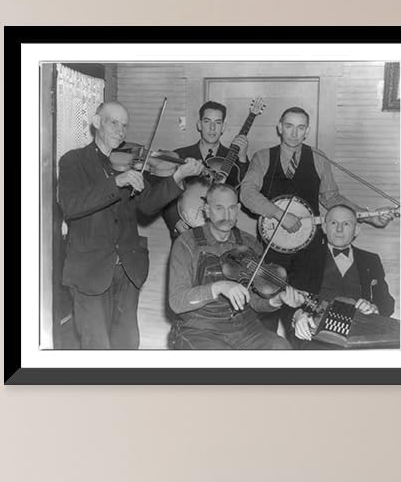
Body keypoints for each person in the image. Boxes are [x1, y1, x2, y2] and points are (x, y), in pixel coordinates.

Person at [57, 101, 204, 349]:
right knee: (97, 347)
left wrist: (177, 176)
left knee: (127, 343)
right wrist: (116, 183)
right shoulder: (73, 161)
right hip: (90, 272)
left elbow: (146, 205)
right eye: (113, 122)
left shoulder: (130, 163)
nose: (120, 130)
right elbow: (72, 205)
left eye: (124, 125)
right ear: (96, 122)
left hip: (127, 270)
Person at [238, 105, 369, 328]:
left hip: (309, 252)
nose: (294, 133)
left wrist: (366, 215)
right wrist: (279, 215)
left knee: (303, 312)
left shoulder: (318, 158)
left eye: (300, 128)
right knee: (266, 313)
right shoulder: (263, 157)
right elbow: (247, 193)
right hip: (272, 249)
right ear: (279, 127)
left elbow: (331, 198)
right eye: (288, 126)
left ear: (307, 130)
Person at [168, 184, 304, 350]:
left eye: (232, 208)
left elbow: (254, 302)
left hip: (244, 329)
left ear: (238, 208)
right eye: (219, 208)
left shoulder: (249, 243)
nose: (226, 215)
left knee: (280, 348)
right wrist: (218, 287)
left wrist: (275, 301)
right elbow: (176, 301)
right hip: (199, 329)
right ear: (206, 209)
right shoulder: (187, 243)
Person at [289, 204, 396, 347]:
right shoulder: (304, 257)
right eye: (334, 223)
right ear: (324, 228)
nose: (339, 229)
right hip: (316, 335)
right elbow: (288, 298)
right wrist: (297, 316)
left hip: (360, 334)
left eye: (346, 224)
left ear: (356, 230)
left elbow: (387, 301)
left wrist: (374, 308)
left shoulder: (371, 260)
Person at [160, 101, 249, 241]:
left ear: (223, 127)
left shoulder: (234, 159)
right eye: (207, 121)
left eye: (218, 122)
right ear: (199, 124)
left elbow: (244, 192)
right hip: (186, 229)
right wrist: (175, 220)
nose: (212, 128)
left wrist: (242, 158)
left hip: (222, 232)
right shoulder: (180, 155)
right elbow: (165, 193)